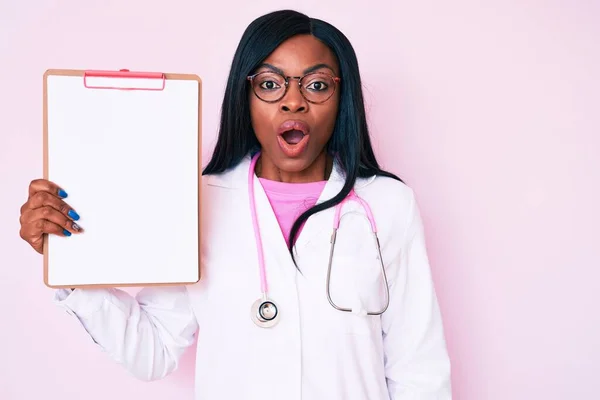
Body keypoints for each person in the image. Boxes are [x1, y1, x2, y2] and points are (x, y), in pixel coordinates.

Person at [18, 9, 452, 400]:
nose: (293, 100)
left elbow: (419, 370)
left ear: (343, 101)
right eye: (268, 83)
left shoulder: (387, 205)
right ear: (244, 98)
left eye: (317, 85)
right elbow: (152, 351)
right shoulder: (199, 200)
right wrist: (71, 266)